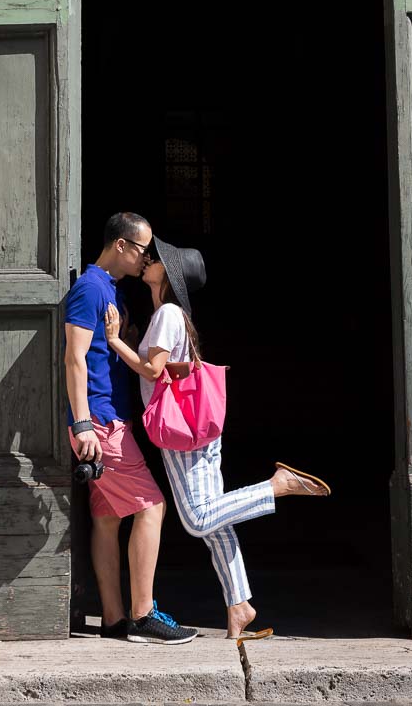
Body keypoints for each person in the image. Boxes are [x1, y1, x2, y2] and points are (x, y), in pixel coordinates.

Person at [104, 235, 330, 639]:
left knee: (196, 519)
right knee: (215, 524)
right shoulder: (168, 315)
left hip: (181, 433)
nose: (148, 260)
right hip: (195, 431)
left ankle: (275, 486)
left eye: (155, 259)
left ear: (169, 276)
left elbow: (154, 371)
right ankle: (239, 604)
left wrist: (116, 341)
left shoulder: (169, 313)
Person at [64, 213, 198, 644]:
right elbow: (75, 358)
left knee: (106, 519)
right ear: (121, 245)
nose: (145, 259)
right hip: (102, 424)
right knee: (152, 507)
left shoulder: (111, 290)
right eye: (142, 250)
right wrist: (83, 423)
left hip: (108, 420)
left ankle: (113, 618)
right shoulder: (89, 289)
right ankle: (143, 615)